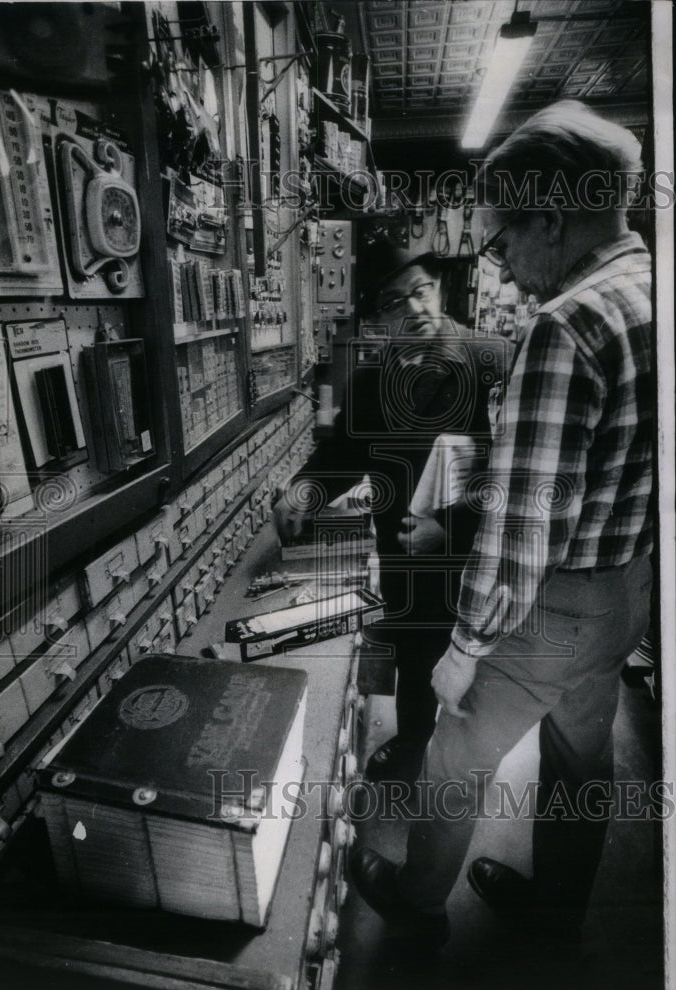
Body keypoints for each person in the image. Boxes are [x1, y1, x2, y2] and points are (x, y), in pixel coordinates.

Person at [350, 100, 654, 947]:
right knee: (578, 760)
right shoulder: (647, 291)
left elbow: (525, 525)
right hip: (623, 590)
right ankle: (555, 910)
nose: (505, 268)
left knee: (452, 762)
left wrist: (464, 652)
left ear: (551, 219)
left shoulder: (563, 326)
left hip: (544, 607)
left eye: (503, 240)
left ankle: (412, 905)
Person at [274, 241, 504, 783]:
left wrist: (448, 526)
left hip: (473, 564)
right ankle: (409, 754)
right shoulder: (373, 382)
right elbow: (341, 453)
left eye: (422, 291)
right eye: (398, 302)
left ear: (439, 289)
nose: (417, 309)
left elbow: (514, 471)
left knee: (475, 678)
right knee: (414, 663)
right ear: (379, 318)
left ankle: (460, 773)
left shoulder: (492, 358)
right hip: (404, 561)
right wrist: (304, 492)